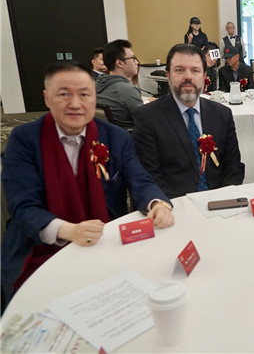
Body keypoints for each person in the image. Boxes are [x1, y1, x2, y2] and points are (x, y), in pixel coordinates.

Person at [1, 62, 174, 301]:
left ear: (94, 98)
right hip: (39, 245)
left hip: (105, 240)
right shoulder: (24, 140)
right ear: (47, 98)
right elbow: (22, 206)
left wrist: (157, 204)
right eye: (64, 94)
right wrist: (68, 231)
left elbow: (140, 180)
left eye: (84, 94)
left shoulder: (116, 138)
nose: (75, 104)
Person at [133, 44, 244, 199]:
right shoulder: (148, 117)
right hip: (175, 204)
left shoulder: (222, 114)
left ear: (204, 76)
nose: (188, 77)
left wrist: (225, 199)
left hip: (220, 201)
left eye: (195, 70)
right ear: (168, 75)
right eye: (179, 70)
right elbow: (150, 176)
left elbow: (233, 167)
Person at [96, 39, 143, 130]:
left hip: (109, 135)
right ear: (120, 63)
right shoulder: (126, 90)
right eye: (133, 58)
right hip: (130, 136)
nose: (137, 62)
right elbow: (146, 121)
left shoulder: (98, 84)